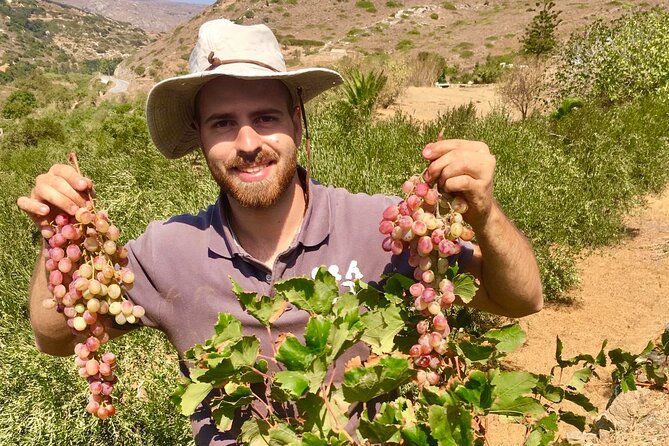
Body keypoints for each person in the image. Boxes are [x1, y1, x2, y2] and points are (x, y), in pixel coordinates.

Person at [17, 19, 543, 445]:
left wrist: (486, 214)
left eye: (265, 117)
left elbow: (521, 298)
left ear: (296, 123)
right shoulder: (168, 250)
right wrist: (55, 236)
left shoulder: (382, 228)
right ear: (199, 136)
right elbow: (57, 336)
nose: (247, 142)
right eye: (222, 122)